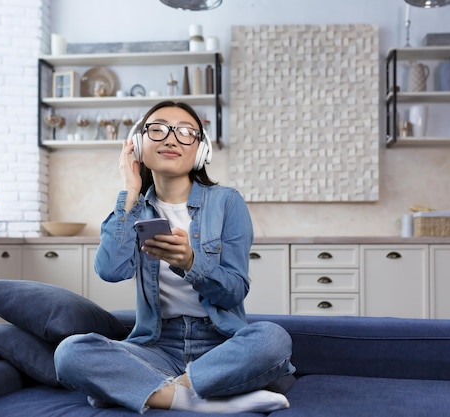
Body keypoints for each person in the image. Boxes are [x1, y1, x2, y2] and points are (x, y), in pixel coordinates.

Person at [54, 101, 294, 414]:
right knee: (70, 352)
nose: (170, 139)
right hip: (156, 346)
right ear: (139, 144)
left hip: (220, 343)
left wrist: (191, 263)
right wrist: (130, 190)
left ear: (201, 149)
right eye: (157, 129)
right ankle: (194, 399)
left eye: (185, 132)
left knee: (272, 339)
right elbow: (111, 270)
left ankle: (150, 389)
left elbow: (234, 290)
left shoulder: (227, 202)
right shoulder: (134, 208)